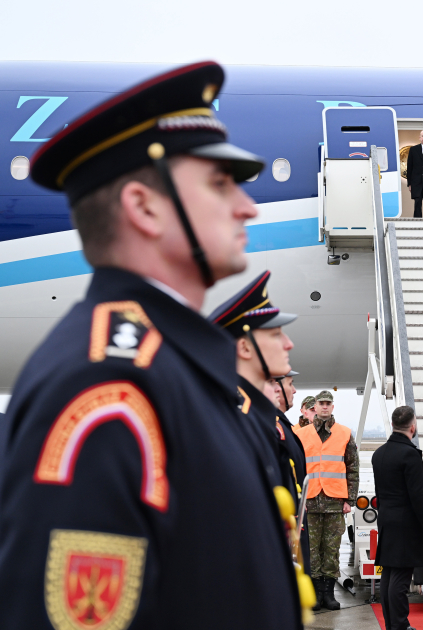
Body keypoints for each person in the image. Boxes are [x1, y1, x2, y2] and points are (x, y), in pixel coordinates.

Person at [0, 62, 303, 629]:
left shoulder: (178, 375)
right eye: (219, 184)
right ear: (143, 207)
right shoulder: (108, 390)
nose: (248, 206)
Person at [208, 271, 311, 577]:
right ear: (244, 348)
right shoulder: (234, 421)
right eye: (276, 335)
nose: (289, 344)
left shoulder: (259, 417)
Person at [292, 390, 359, 610]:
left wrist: (350, 498)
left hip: (334, 501)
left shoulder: (345, 433)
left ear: (332, 407)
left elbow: (352, 468)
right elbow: (295, 468)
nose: (324, 407)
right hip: (310, 501)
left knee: (332, 549)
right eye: (320, 403)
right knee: (311, 549)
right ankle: (315, 595)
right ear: (316, 407)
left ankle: (328, 594)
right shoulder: (301, 434)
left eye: (328, 403)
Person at [372, 406, 423, 630]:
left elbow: (380, 493)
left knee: (388, 575)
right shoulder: (410, 454)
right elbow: (417, 496)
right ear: (413, 426)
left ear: (393, 425)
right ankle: (400, 626)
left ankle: (392, 625)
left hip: (387, 521)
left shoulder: (378, 453)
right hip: (406, 525)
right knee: (400, 579)